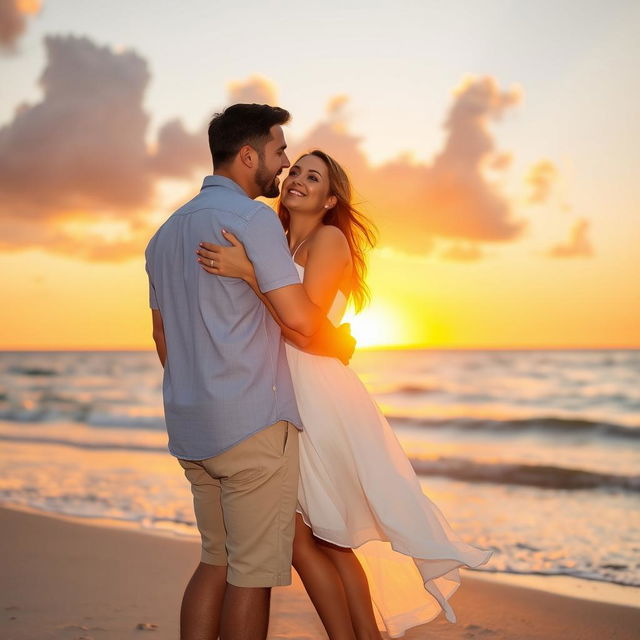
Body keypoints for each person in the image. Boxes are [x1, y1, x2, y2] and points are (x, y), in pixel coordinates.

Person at [196, 150, 493, 638]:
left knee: (309, 538)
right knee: (324, 539)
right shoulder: (282, 242)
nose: (297, 179)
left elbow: (305, 327)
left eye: (313, 177)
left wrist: (247, 274)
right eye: (294, 171)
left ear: (330, 198)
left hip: (316, 394)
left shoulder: (328, 239)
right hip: (288, 388)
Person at [145, 105, 355, 640]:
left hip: (192, 429)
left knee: (214, 561)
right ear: (247, 155)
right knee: (251, 577)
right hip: (252, 429)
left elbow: (162, 338)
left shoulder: (163, 234)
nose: (283, 165)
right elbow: (300, 317)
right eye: (280, 151)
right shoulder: (253, 220)